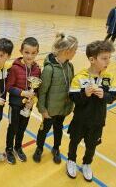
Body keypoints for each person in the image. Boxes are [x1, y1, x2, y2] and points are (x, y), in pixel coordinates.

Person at [66, 40, 116, 182]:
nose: (108, 61)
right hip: (80, 120)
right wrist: (85, 95)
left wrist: (104, 96)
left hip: (97, 121)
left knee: (91, 145)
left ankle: (87, 163)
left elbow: (113, 95)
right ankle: (71, 160)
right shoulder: (80, 78)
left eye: (109, 58)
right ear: (92, 59)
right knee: (74, 141)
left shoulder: (109, 77)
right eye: (104, 58)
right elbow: (73, 97)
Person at [33, 33, 78, 164]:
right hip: (49, 110)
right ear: (67, 51)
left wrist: (70, 104)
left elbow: (71, 87)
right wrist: (43, 110)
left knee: (59, 129)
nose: (75, 53)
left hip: (62, 108)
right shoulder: (49, 69)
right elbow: (42, 92)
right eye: (74, 50)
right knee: (44, 129)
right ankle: (39, 148)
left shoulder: (70, 66)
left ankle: (56, 148)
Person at [5, 37, 41, 164]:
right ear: (21, 51)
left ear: (37, 52)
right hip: (15, 105)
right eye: (27, 52)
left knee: (22, 128)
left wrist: (34, 99)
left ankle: (18, 147)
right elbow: (8, 87)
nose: (30, 56)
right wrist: (22, 93)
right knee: (13, 127)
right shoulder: (15, 68)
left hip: (28, 106)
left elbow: (37, 89)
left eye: (33, 53)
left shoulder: (37, 69)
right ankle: (9, 149)